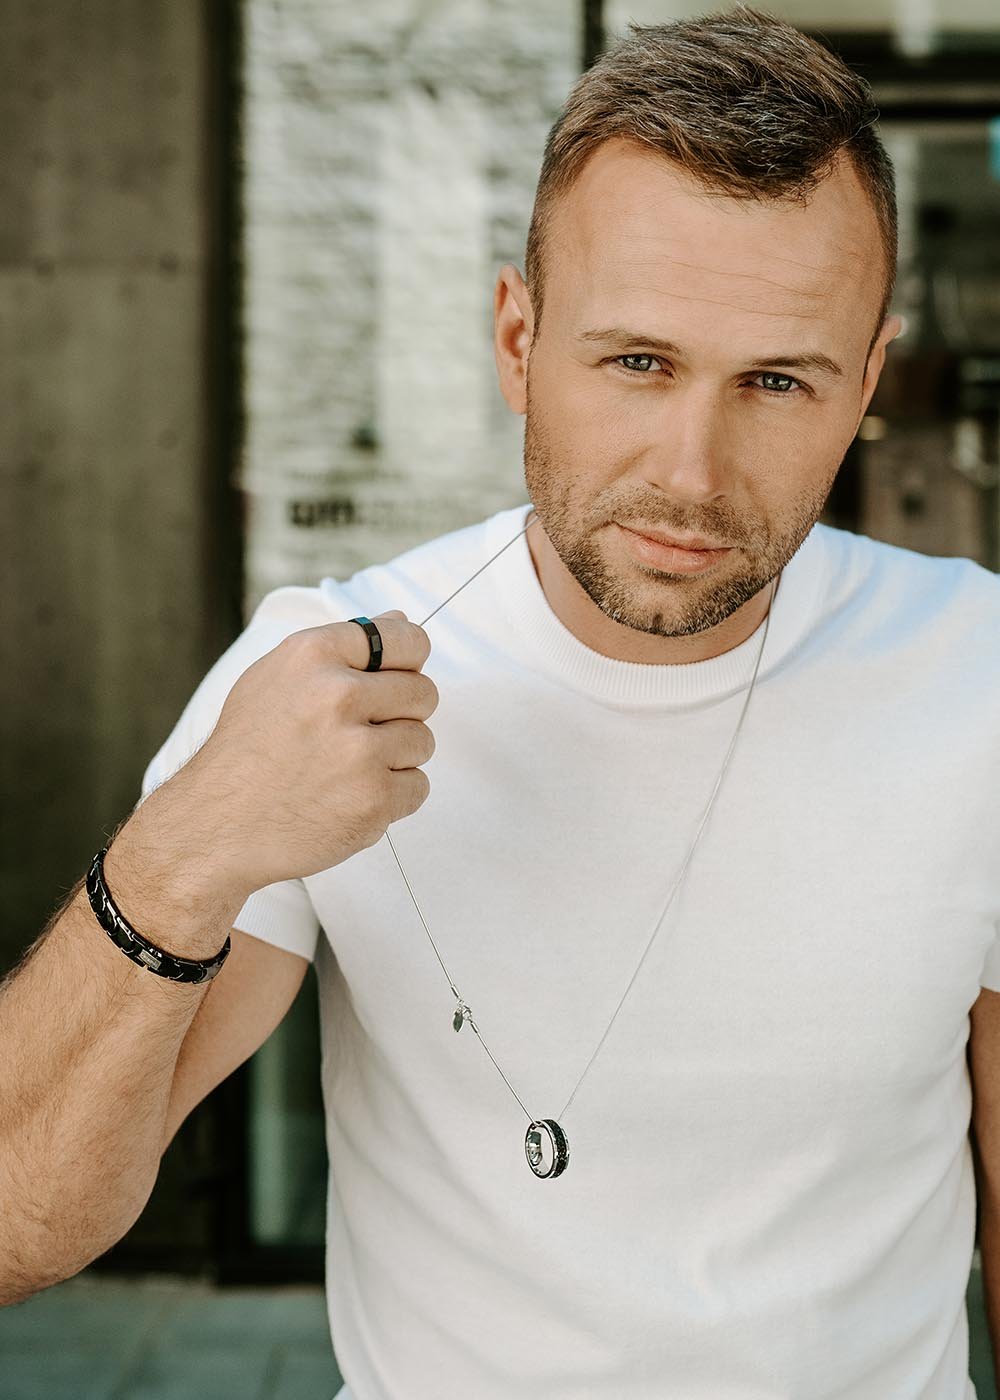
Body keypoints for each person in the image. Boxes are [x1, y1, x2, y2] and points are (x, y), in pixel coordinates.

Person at [3, 8, 1000, 1398]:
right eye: (637, 362)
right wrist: (187, 850)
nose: (695, 473)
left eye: (776, 381)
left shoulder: (978, 677)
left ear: (868, 385)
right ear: (517, 338)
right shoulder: (325, 672)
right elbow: (17, 1225)